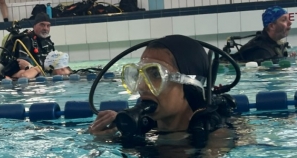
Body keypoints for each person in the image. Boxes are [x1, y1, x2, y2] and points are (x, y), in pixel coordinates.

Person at [89, 34, 232, 138]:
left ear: (190, 85)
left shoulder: (217, 137)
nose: (141, 86)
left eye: (156, 74)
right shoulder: (145, 131)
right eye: (139, 75)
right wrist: (105, 139)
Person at [0, 13, 69, 79]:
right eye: (42, 25)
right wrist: (34, 69)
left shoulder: (48, 42)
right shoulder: (26, 40)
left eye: (48, 26)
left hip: (41, 74)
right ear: (34, 26)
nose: (45, 28)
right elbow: (22, 64)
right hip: (28, 75)